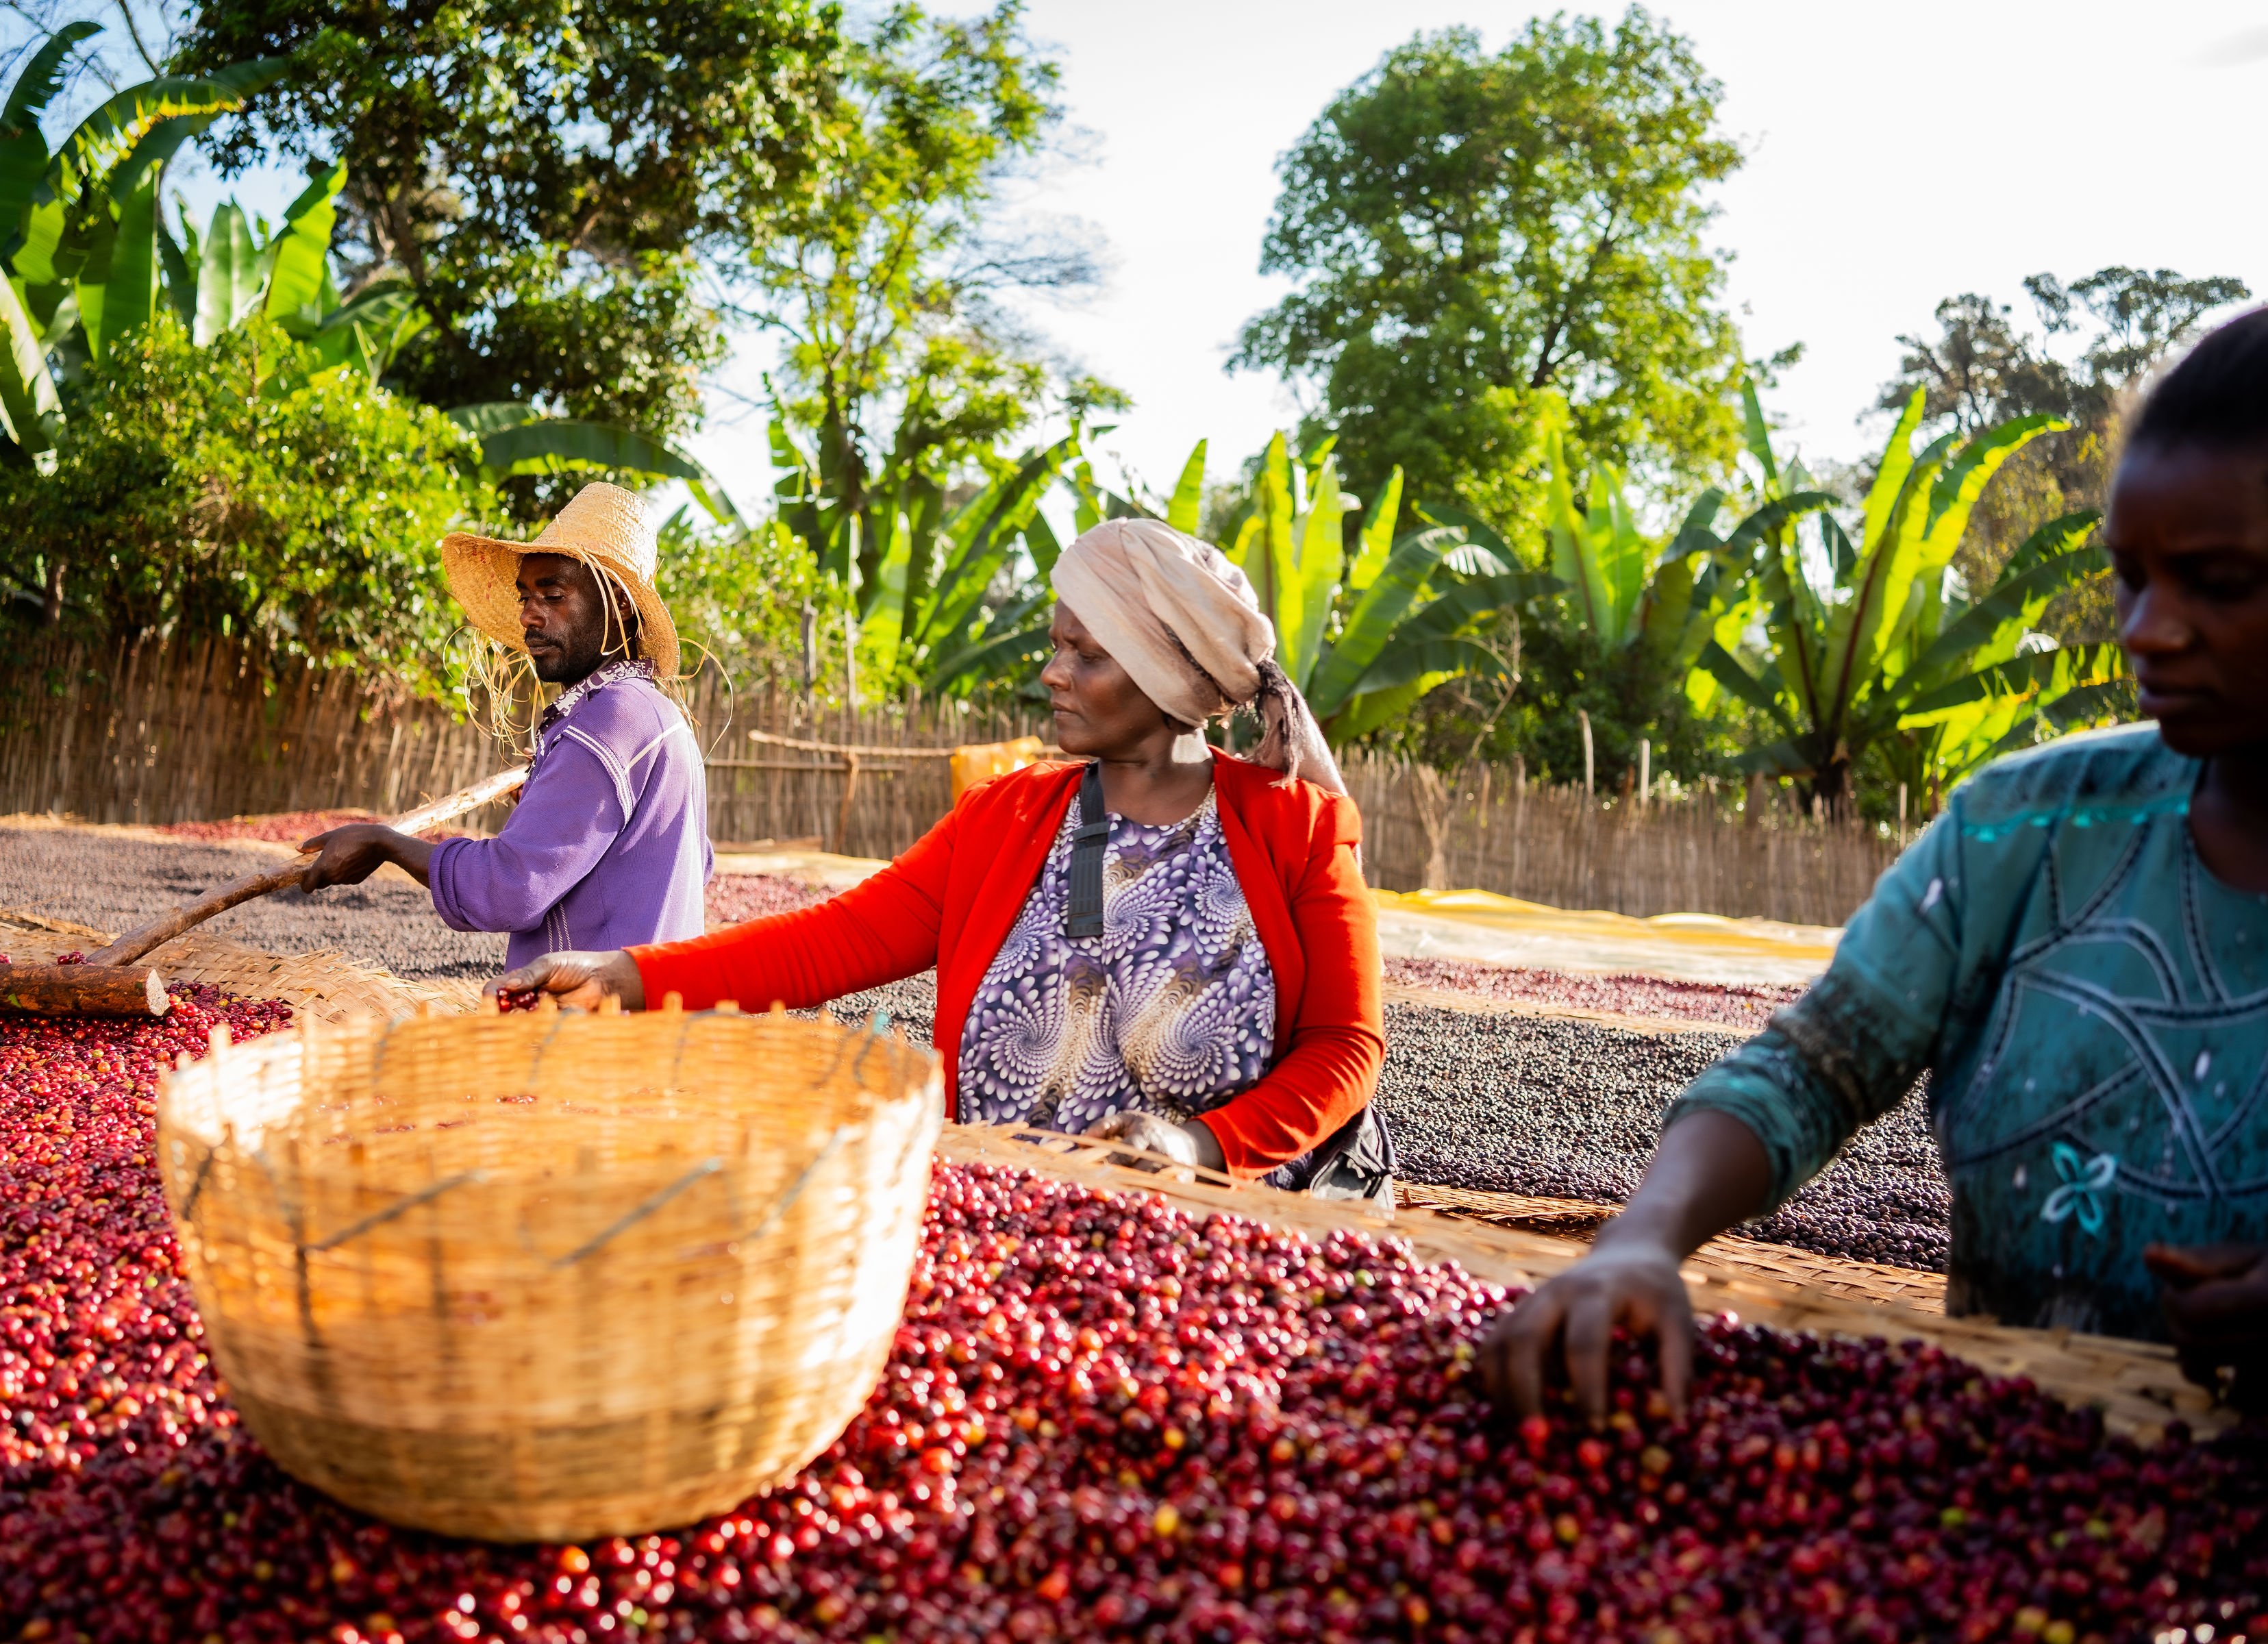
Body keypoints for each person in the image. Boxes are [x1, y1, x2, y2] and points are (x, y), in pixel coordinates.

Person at [1483, 308, 2268, 1423]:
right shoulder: (2025, 829)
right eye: (2133, 578)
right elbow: (1815, 1065)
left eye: (2220, 584)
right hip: (2012, 1485)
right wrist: (1642, 1236)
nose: (2147, 629)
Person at [493, 519, 1395, 1199]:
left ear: (1168, 674)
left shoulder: (1298, 830)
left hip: (1224, 1242)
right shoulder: (1004, 821)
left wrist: (1199, 1148)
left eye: (1087, 653)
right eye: (1055, 644)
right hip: (1011, 1227)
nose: (1053, 672)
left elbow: (1345, 1050)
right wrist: (625, 975)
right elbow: (830, 943)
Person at [296, 482, 711, 960]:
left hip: (593, 1025)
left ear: (618, 603)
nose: (530, 617)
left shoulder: (607, 724)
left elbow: (510, 888)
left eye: (552, 595)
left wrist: (384, 843)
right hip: (655, 1016)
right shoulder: (659, 716)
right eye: (525, 597)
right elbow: (692, 863)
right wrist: (552, 799)